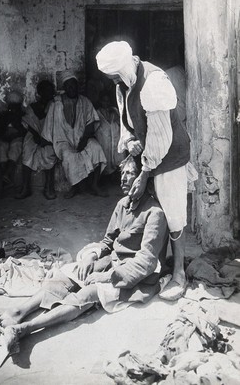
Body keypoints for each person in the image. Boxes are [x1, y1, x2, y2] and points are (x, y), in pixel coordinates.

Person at [0, 155, 169, 353]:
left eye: (131, 174)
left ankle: (23, 329)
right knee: (66, 276)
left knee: (88, 293)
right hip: (112, 263)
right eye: (122, 173)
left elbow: (146, 262)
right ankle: (17, 312)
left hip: (135, 276)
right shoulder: (122, 204)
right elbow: (108, 242)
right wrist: (92, 256)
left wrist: (106, 276)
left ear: (144, 180)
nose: (123, 179)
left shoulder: (154, 212)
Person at [96, 41, 195, 301]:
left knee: (173, 214)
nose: (113, 81)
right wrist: (130, 141)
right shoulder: (122, 84)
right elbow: (125, 121)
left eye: (115, 76)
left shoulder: (154, 82)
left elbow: (161, 137)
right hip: (149, 154)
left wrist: (144, 173)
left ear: (124, 67)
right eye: (111, 78)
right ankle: (155, 262)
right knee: (152, 210)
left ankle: (179, 274)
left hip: (170, 156)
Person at [41, 70, 107, 198]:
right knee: (69, 155)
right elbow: (49, 124)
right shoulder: (56, 103)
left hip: (82, 137)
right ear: (64, 88)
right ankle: (74, 187)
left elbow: (91, 122)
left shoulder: (85, 102)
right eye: (68, 86)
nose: (71, 88)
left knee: (96, 148)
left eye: (73, 85)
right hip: (62, 140)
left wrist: (84, 139)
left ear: (78, 86)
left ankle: (95, 185)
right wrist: (47, 140)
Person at [16, 80, 57, 200]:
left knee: (49, 152)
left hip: (50, 134)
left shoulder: (55, 106)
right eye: (45, 92)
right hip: (34, 133)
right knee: (27, 151)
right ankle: (26, 187)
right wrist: (36, 136)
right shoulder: (32, 107)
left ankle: (49, 187)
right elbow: (29, 124)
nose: (48, 94)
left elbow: (57, 125)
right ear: (39, 93)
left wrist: (46, 138)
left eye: (50, 92)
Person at [0, 90, 26, 192]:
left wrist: (16, 131)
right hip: (4, 139)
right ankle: (6, 177)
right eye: (11, 106)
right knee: (1, 148)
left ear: (19, 105)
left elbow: (25, 131)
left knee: (16, 147)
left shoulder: (23, 115)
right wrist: (3, 134)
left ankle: (6, 174)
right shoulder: (2, 116)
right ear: (8, 105)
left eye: (15, 106)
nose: (13, 109)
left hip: (17, 138)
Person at [95, 90, 125, 176]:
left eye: (108, 101)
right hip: (104, 141)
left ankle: (117, 173)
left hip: (114, 140)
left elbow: (121, 124)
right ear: (100, 101)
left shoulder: (114, 111)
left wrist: (115, 114)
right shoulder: (97, 113)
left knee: (118, 156)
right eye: (104, 101)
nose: (106, 103)